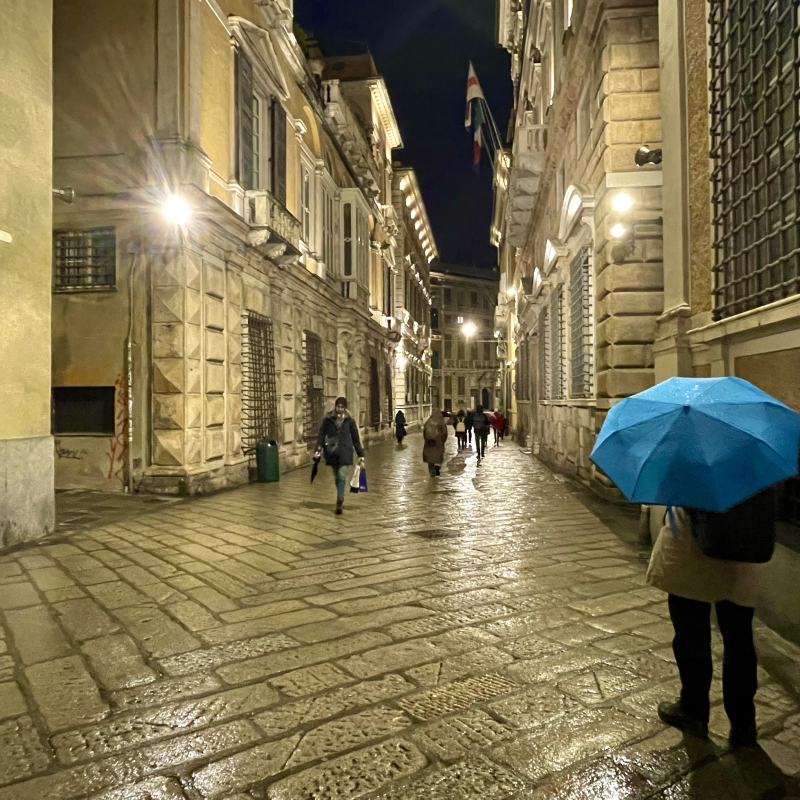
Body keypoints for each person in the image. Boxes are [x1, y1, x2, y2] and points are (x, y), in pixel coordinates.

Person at [646, 498, 772, 747]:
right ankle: (743, 724)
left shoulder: (689, 469)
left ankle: (693, 711)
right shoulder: (752, 473)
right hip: (740, 553)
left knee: (691, 635)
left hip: (690, 548)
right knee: (739, 641)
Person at [315, 397, 364, 515]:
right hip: (332, 452)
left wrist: (360, 454)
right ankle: (340, 495)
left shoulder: (349, 421)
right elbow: (322, 434)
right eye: (338, 406)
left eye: (342, 407)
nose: (340, 409)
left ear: (345, 408)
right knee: (337, 476)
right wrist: (318, 448)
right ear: (335, 406)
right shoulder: (328, 419)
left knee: (341, 475)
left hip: (345, 452)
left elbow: (355, 439)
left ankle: (339, 500)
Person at [422, 409, 448, 477]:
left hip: (429, 443)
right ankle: (437, 467)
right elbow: (445, 433)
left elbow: (424, 433)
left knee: (430, 458)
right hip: (438, 443)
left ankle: (432, 473)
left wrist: (427, 440)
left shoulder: (428, 422)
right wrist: (442, 441)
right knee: (438, 456)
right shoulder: (441, 422)